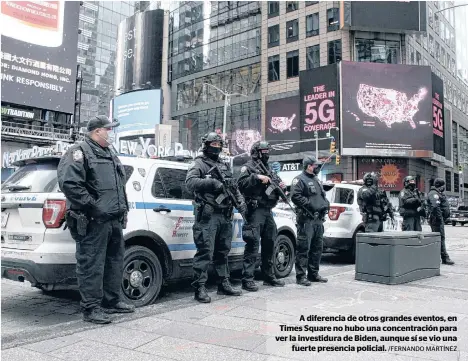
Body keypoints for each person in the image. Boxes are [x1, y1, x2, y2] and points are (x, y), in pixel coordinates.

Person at [57, 115, 135, 324]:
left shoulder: (110, 153)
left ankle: (112, 301)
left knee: (114, 261)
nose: (112, 134)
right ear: (97, 131)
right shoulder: (79, 152)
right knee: (91, 264)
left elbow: (118, 186)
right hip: (92, 220)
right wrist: (94, 207)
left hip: (114, 220)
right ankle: (91, 309)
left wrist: (122, 210)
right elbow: (70, 184)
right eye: (109, 130)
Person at [185, 132, 246, 303]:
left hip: (225, 215)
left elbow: (233, 187)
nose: (217, 147)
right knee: (205, 252)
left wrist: (240, 201)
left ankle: (223, 284)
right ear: (206, 145)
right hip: (208, 216)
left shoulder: (223, 165)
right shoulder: (199, 164)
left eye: (219, 144)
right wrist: (212, 183)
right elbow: (190, 183)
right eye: (213, 144)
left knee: (222, 252)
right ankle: (199, 288)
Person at [236, 141, 285, 292]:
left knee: (270, 242)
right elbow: (241, 184)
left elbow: (274, 183)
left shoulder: (268, 168)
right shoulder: (249, 167)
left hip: (267, 211)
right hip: (255, 210)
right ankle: (248, 279)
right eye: (264, 151)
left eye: (267, 150)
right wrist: (257, 177)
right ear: (256, 152)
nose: (267, 153)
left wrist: (281, 185)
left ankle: (268, 276)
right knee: (252, 244)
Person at [290, 156, 329, 286]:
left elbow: (321, 196)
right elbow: (295, 196)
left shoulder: (316, 179)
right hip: (306, 219)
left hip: (318, 220)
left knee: (317, 248)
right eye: (315, 166)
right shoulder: (299, 180)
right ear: (309, 166)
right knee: (303, 248)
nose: (317, 168)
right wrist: (310, 205)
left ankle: (313, 274)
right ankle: (301, 276)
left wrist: (325, 204)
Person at [427, 178, 454, 265]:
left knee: (440, 238)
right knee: (439, 238)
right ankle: (443, 258)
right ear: (440, 186)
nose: (444, 187)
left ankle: (441, 257)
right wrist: (439, 218)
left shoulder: (438, 193)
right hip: (436, 220)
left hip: (438, 219)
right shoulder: (433, 194)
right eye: (443, 186)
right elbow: (435, 207)